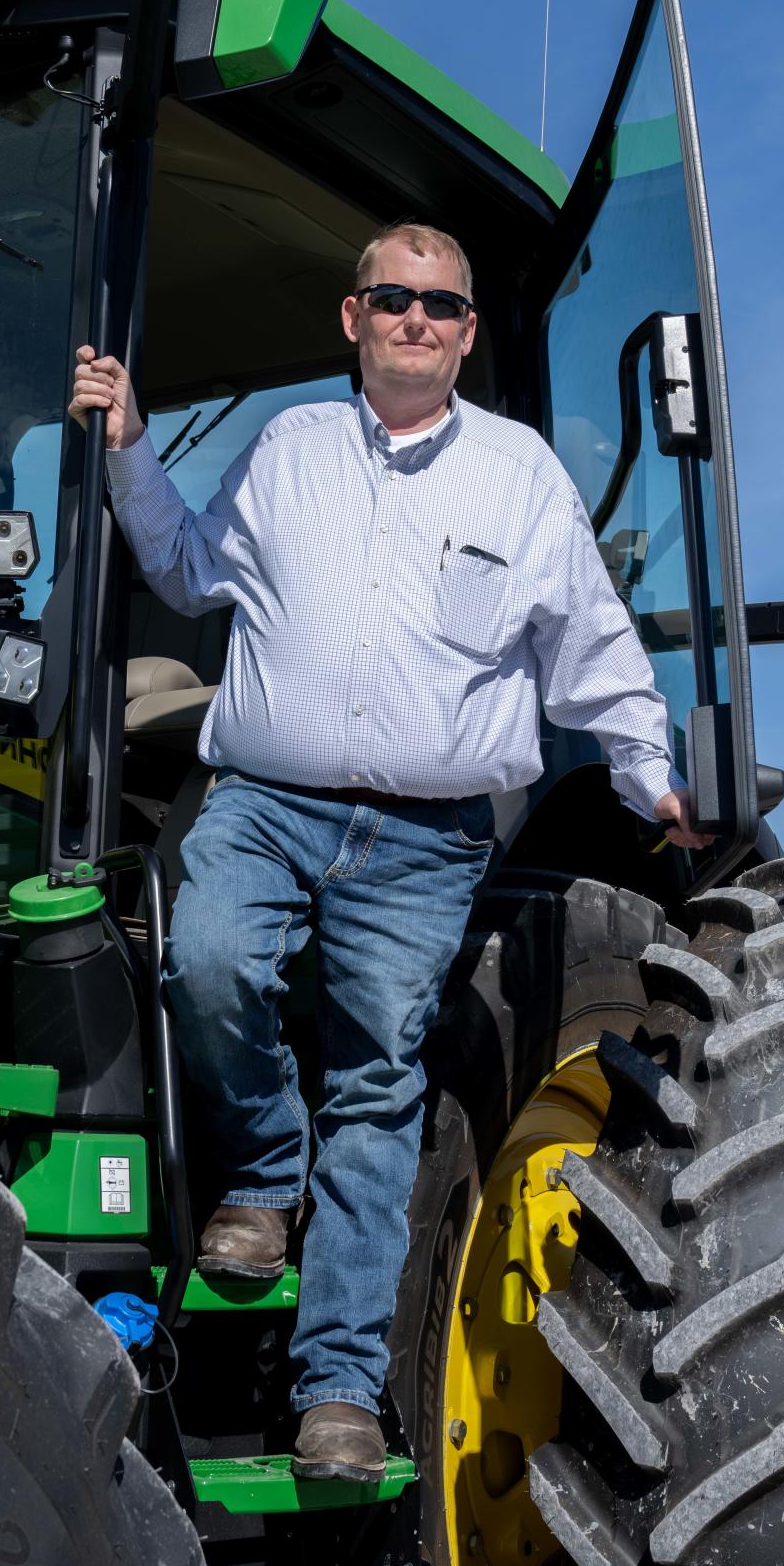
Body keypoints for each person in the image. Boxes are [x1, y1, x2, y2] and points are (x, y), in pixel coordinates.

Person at [69, 222, 709, 1483]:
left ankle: (340, 1390)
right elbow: (192, 571)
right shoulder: (288, 450)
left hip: (425, 841)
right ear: (352, 318)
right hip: (264, 797)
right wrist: (133, 448)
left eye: (441, 304)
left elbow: (590, 644)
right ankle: (261, 1169)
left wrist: (650, 777)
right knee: (205, 962)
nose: (416, 318)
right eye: (392, 298)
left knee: (378, 1084)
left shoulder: (520, 477)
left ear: (468, 333)